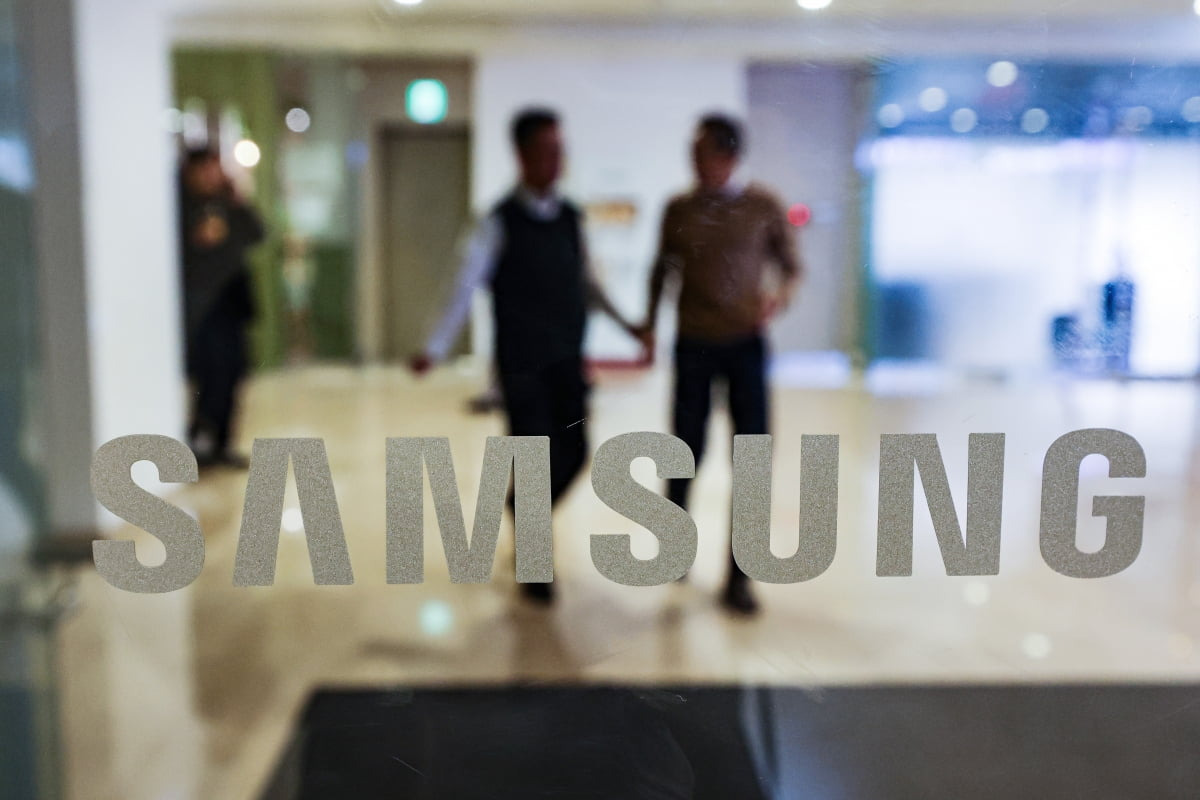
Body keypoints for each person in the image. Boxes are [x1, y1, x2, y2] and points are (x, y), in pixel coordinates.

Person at [411, 108, 641, 605]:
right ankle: (535, 566)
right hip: (521, 367)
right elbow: (462, 284)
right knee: (533, 455)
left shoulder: (571, 218)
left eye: (560, 150)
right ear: (521, 155)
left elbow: (588, 284)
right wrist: (434, 347)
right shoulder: (497, 222)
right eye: (546, 150)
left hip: (567, 364)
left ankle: (521, 507)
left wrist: (628, 326)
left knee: (575, 452)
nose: (556, 160)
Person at [637, 114, 804, 616]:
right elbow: (662, 269)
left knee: (751, 458)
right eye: (692, 153)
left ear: (729, 156)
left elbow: (791, 267)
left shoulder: (763, 206)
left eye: (703, 153)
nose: (695, 162)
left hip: (745, 345)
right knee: (685, 450)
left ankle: (739, 577)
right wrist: (649, 325)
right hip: (693, 344)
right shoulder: (679, 208)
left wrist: (779, 295)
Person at [178, 148, 264, 469]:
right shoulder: (180, 206)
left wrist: (237, 197)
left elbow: (257, 233)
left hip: (230, 304)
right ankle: (201, 439)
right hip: (200, 304)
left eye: (215, 169)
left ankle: (224, 443)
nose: (211, 176)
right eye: (205, 169)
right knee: (206, 375)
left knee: (233, 372)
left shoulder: (227, 203)